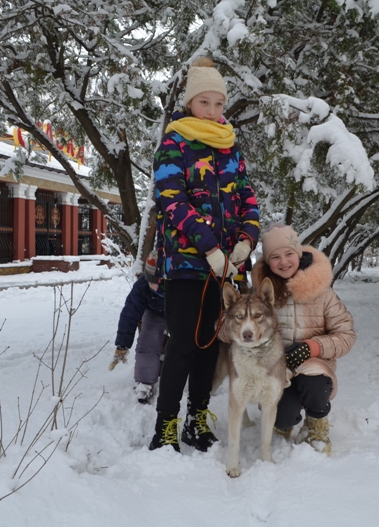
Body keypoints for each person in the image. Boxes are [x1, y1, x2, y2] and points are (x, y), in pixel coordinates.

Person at [150, 56, 260, 451]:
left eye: (219, 104)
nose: (213, 112)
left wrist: (247, 238)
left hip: (227, 269)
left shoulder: (230, 147)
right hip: (186, 265)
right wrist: (210, 248)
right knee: (182, 344)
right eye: (205, 103)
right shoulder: (175, 142)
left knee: (210, 344)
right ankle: (166, 426)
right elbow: (171, 201)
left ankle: (197, 418)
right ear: (190, 102)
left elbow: (248, 198)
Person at [251, 223, 355, 455]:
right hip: (277, 370)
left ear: (298, 254)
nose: (284, 261)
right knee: (281, 417)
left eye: (289, 254)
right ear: (268, 261)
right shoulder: (260, 293)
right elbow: (236, 329)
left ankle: (316, 424)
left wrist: (313, 347)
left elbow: (346, 335)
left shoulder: (322, 292)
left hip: (314, 365)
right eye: (275, 257)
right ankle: (284, 421)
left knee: (315, 383)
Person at [109, 251, 166, 404]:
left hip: (180, 312)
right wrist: (122, 345)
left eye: (156, 281)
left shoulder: (180, 285)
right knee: (148, 339)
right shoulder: (142, 286)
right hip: (155, 313)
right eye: (150, 279)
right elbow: (129, 314)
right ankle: (144, 382)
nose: (152, 284)